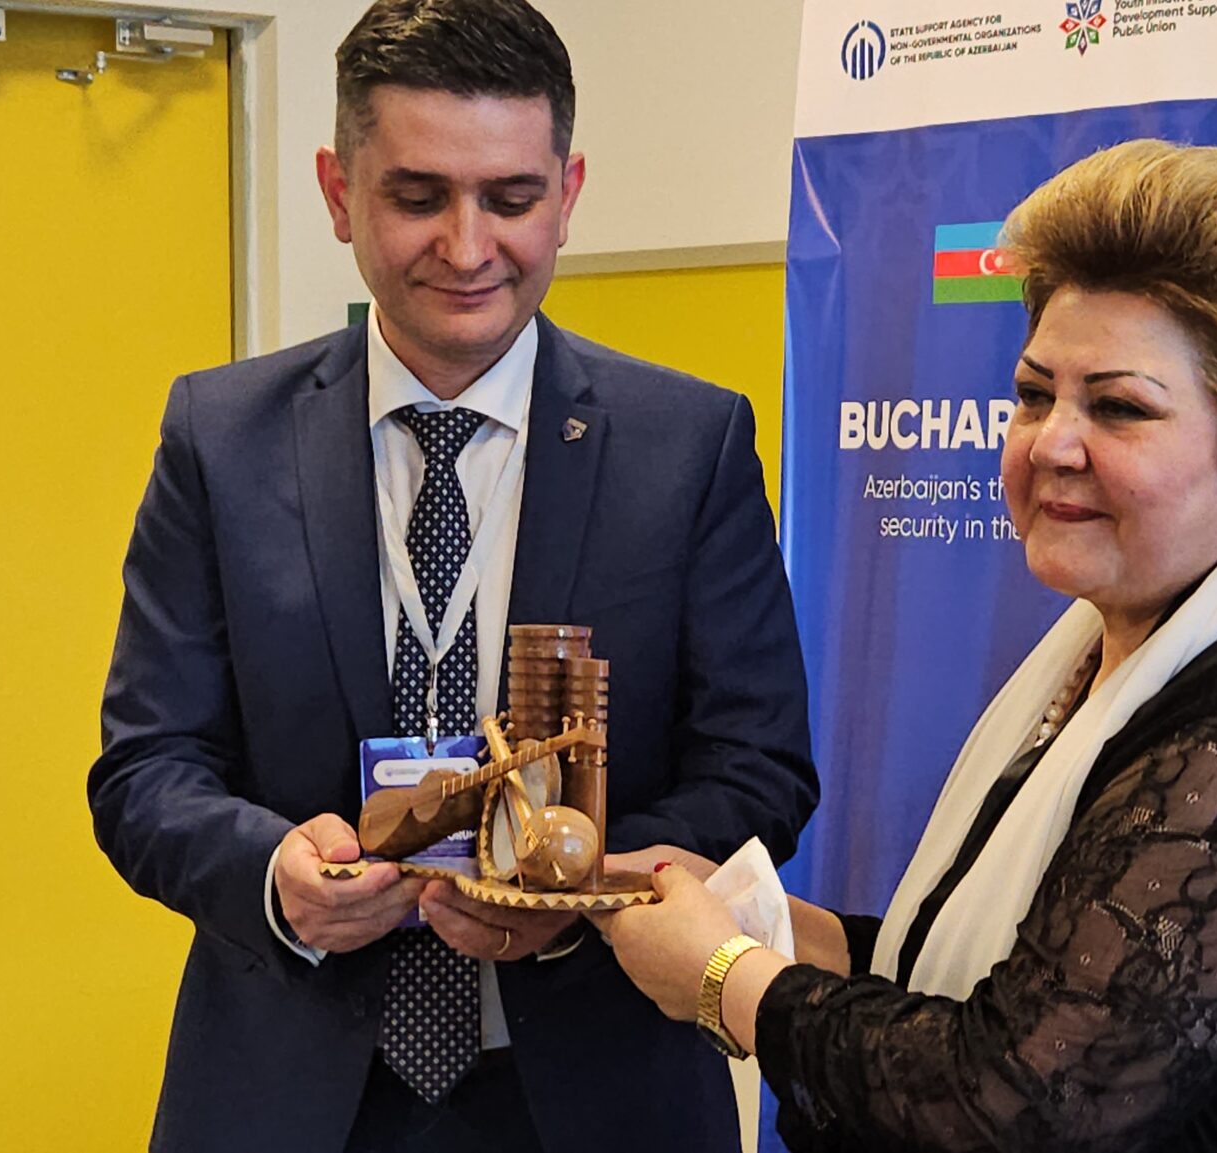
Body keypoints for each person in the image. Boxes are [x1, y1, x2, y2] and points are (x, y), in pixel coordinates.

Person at [598, 140, 1217, 1152]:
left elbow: (1009, 1105)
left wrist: (724, 978)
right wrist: (769, 926)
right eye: (1032, 394)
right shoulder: (1104, 651)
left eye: (1118, 407)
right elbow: (1017, 987)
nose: (1050, 442)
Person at [86, 2, 816, 1150]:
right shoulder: (219, 438)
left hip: (596, 1087)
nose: (468, 247)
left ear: (567, 193)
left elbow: (759, 766)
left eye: (510, 199)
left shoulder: (688, 445)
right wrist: (274, 875)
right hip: (285, 1093)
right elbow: (144, 769)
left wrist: (571, 894)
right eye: (419, 197)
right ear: (338, 192)